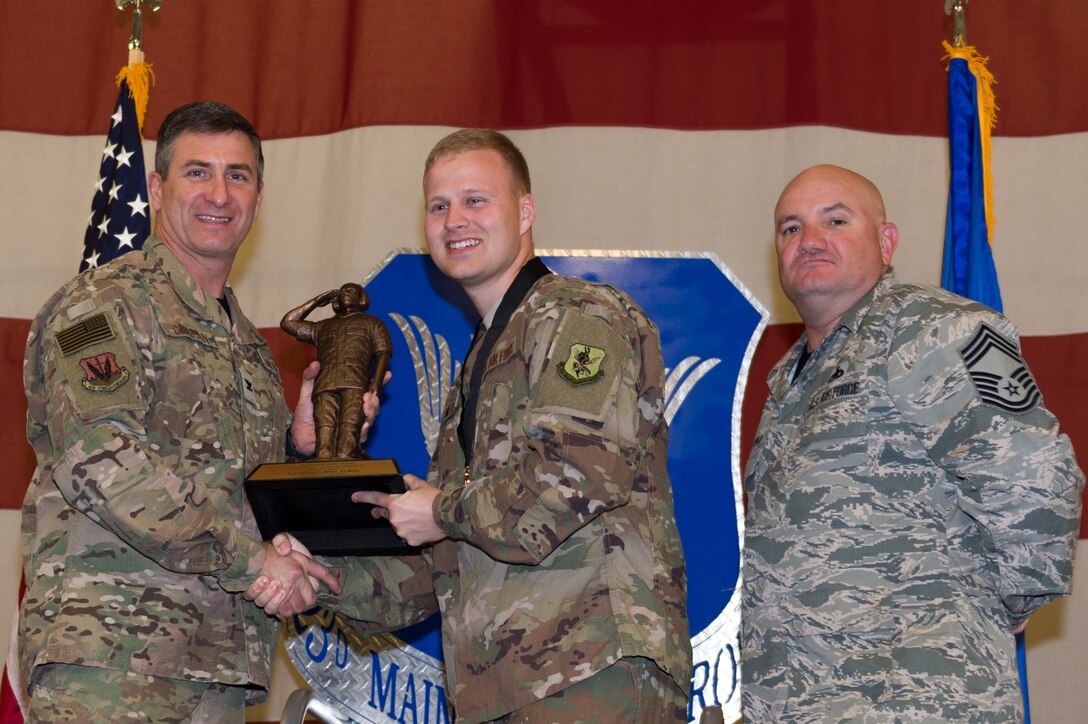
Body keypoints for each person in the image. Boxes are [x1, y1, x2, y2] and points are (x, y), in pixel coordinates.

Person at [249, 129, 693, 722]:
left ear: (525, 210)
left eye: (475, 200)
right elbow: (441, 565)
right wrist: (319, 575)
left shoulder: (578, 316)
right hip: (502, 690)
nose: (455, 219)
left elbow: (575, 476)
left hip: (590, 674)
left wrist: (437, 511)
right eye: (439, 206)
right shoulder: (486, 357)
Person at [18, 101, 341, 722]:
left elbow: (234, 490)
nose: (219, 193)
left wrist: (299, 447)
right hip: (113, 662)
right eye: (198, 172)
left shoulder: (245, 343)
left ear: (259, 196)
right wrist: (253, 563)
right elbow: (104, 461)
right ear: (159, 188)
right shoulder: (97, 308)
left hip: (218, 665)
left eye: (238, 175)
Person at [741, 164, 1084, 721]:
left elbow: (1034, 469)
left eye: (835, 220)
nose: (810, 241)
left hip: (915, 693)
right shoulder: (788, 380)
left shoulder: (934, 328)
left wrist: (1004, 598)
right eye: (790, 228)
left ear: (886, 240)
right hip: (801, 700)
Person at [281, 283, 393, 459]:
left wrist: (375, 383)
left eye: (351, 291)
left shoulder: (373, 323)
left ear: (361, 298)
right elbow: (288, 323)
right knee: (324, 438)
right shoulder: (322, 326)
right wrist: (316, 301)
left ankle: (347, 466)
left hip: (355, 383)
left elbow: (383, 353)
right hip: (325, 385)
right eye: (342, 292)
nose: (346, 293)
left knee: (348, 438)